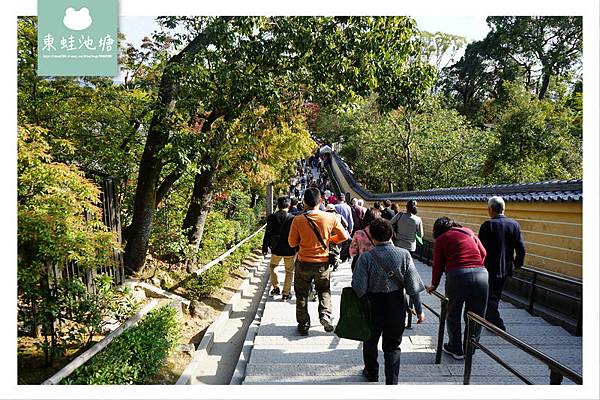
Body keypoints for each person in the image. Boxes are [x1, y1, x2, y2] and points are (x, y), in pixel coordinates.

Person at [352, 218, 426, 384]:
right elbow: (413, 287)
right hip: (396, 304)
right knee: (392, 346)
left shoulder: (366, 258)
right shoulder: (404, 255)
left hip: (372, 305)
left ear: (373, 237)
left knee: (370, 341)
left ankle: (372, 372)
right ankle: (392, 382)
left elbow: (359, 288)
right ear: (392, 234)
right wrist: (419, 311)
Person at [288, 187, 349, 335]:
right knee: (324, 290)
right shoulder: (331, 218)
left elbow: (291, 243)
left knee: (301, 293)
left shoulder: (298, 220)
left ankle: (303, 324)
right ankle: (325, 315)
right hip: (322, 263)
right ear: (320, 200)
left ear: (304, 202)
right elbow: (344, 237)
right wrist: (328, 240)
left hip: (303, 262)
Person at [426, 217, 488, 360]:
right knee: (476, 315)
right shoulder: (468, 231)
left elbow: (438, 265)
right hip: (481, 274)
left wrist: (434, 284)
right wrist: (475, 267)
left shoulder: (442, 239)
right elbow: (483, 253)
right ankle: (470, 348)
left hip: (457, 275)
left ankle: (456, 348)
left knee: (453, 313)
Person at [478, 196, 526, 331]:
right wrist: (517, 264)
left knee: (489, 296)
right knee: (496, 295)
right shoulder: (514, 225)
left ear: (491, 209)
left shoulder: (488, 225)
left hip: (488, 267)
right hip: (506, 267)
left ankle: (497, 324)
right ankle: (490, 320)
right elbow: (521, 248)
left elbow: (479, 249)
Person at [262, 197, 297, 301]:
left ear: (278, 205)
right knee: (289, 271)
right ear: (289, 205)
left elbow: (267, 233)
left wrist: (265, 247)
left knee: (273, 266)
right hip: (289, 248)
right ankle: (286, 293)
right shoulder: (292, 218)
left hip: (276, 248)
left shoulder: (272, 217)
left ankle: (276, 287)